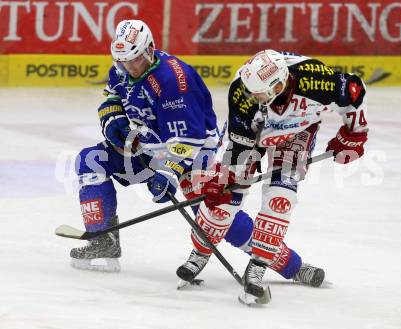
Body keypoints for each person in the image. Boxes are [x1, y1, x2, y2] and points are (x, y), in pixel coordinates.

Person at [70, 20, 314, 285]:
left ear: (149, 49)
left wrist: (165, 174)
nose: (128, 68)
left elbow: (188, 140)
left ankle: (290, 265)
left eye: (135, 60)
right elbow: (112, 98)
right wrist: (112, 119)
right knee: (90, 161)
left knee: (216, 216)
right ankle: (102, 240)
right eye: (122, 62)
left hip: (194, 152)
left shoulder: (174, 80)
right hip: (150, 146)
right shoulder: (123, 68)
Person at [177, 50, 368, 302]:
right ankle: (200, 253)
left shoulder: (317, 81)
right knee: (223, 198)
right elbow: (240, 147)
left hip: (298, 131)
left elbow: (354, 91)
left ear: (279, 84)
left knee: (281, 200)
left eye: (259, 93)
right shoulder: (241, 91)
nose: (252, 97)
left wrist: (354, 134)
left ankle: (258, 265)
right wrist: (226, 179)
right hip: (255, 132)